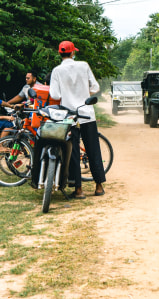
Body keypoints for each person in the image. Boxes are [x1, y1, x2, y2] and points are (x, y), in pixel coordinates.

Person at [49, 40, 106, 199]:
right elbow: (95, 88)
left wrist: (68, 94)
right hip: (87, 114)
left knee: (72, 152)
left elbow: (55, 95)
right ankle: (99, 186)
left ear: (60, 53)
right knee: (93, 149)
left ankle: (78, 189)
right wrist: (82, 92)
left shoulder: (57, 71)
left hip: (69, 117)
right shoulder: (84, 65)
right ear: (73, 52)